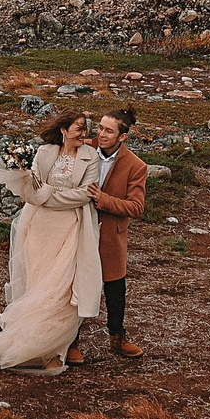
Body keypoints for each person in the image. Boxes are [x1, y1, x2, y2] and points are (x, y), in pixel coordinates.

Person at [0, 112, 103, 373]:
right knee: (39, 287)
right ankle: (30, 346)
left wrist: (46, 196)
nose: (83, 133)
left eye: (85, 129)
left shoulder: (92, 158)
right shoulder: (44, 153)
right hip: (39, 229)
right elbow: (30, 191)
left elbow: (83, 195)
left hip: (71, 228)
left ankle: (56, 351)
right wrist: (41, 195)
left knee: (63, 293)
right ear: (64, 130)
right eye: (78, 128)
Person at [73, 107, 148, 362]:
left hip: (112, 237)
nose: (101, 135)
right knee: (75, 285)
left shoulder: (136, 166)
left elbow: (136, 207)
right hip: (79, 230)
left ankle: (117, 338)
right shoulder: (83, 148)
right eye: (100, 128)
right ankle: (71, 341)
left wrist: (104, 200)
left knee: (115, 289)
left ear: (122, 136)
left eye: (108, 130)